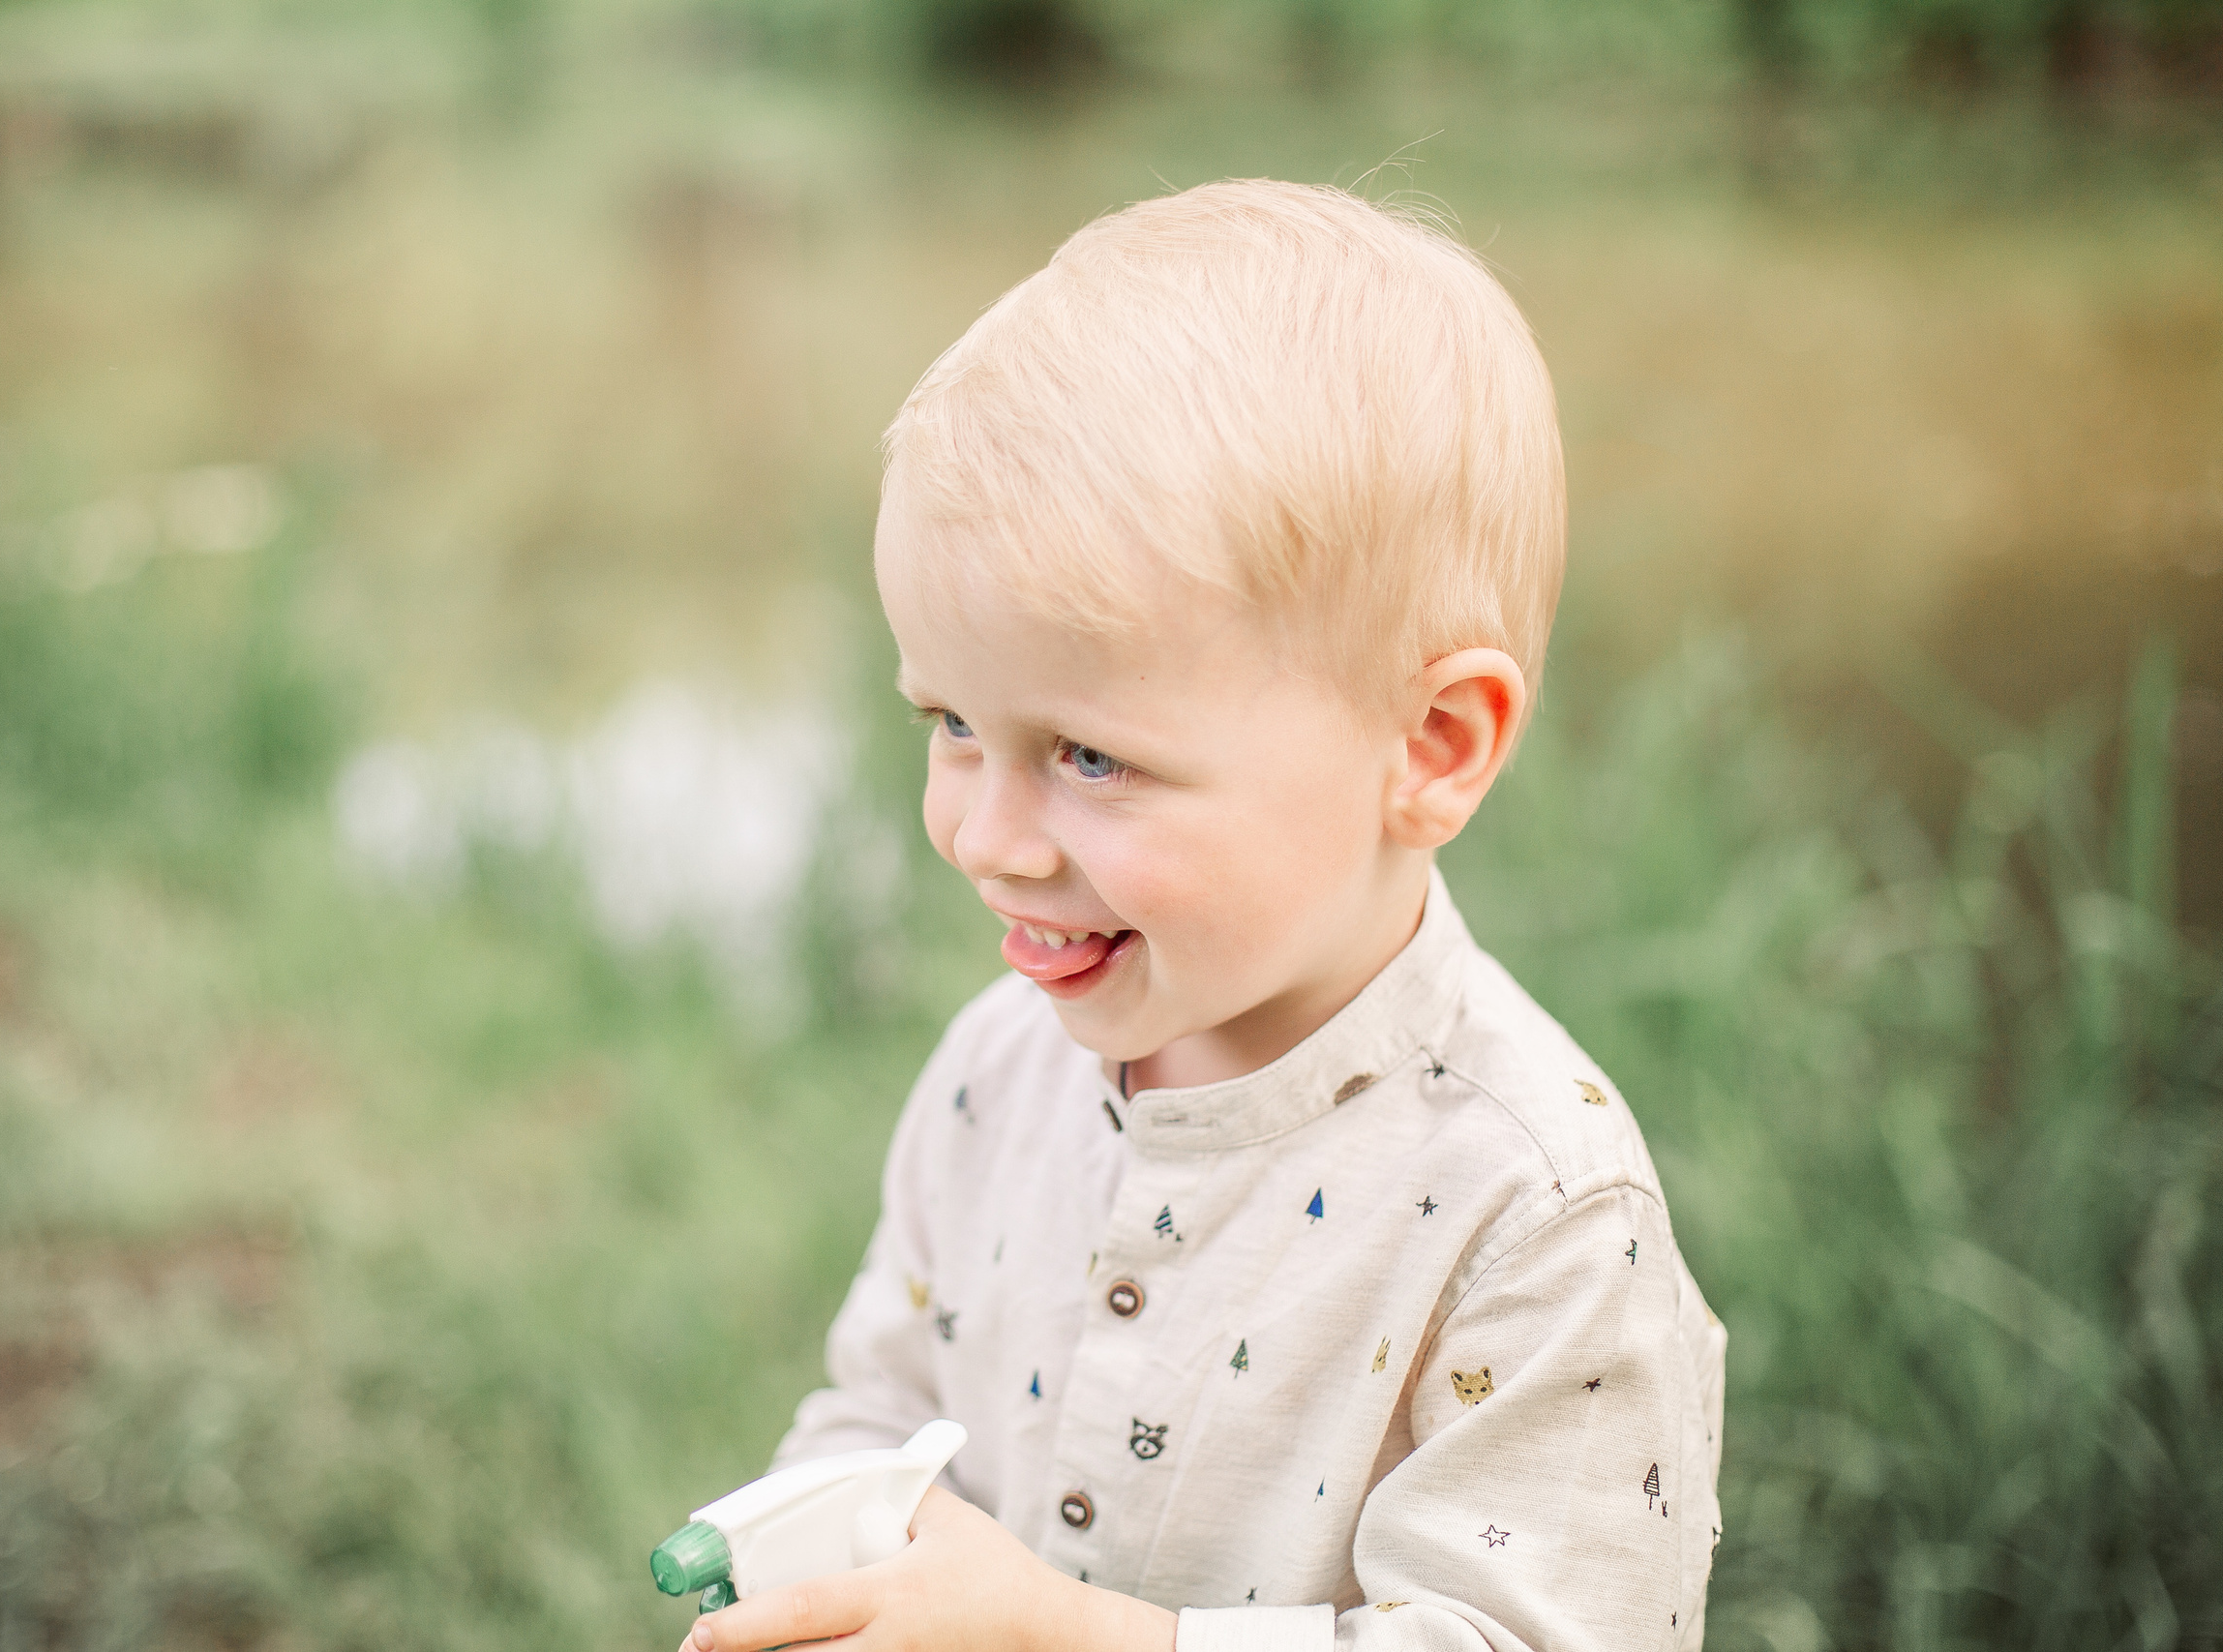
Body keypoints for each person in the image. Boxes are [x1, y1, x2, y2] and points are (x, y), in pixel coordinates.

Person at [685, 178, 1725, 1652]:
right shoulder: (1000, 1070)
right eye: (953, 722)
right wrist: (823, 1563)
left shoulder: (1535, 1220)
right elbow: (885, 1403)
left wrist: (1081, 1640)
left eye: (1091, 757)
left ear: (1429, 746)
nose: (984, 837)